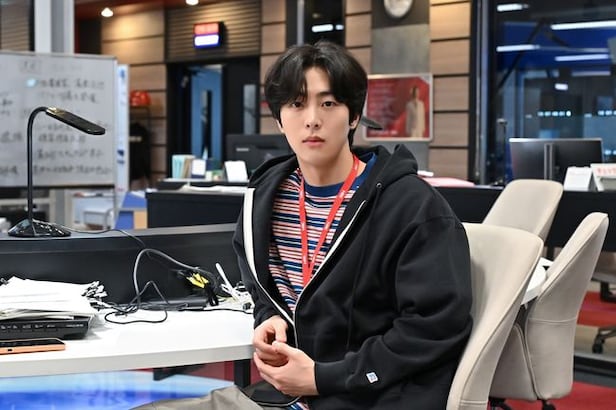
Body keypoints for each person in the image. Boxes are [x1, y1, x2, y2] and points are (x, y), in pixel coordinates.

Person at [232, 40, 472, 409]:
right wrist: (269, 316)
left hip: (371, 397)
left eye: (328, 103)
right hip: (287, 395)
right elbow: (264, 289)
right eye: (296, 104)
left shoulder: (410, 205)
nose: (312, 119)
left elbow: (436, 325)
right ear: (279, 119)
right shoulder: (264, 199)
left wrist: (323, 378)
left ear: (354, 116)